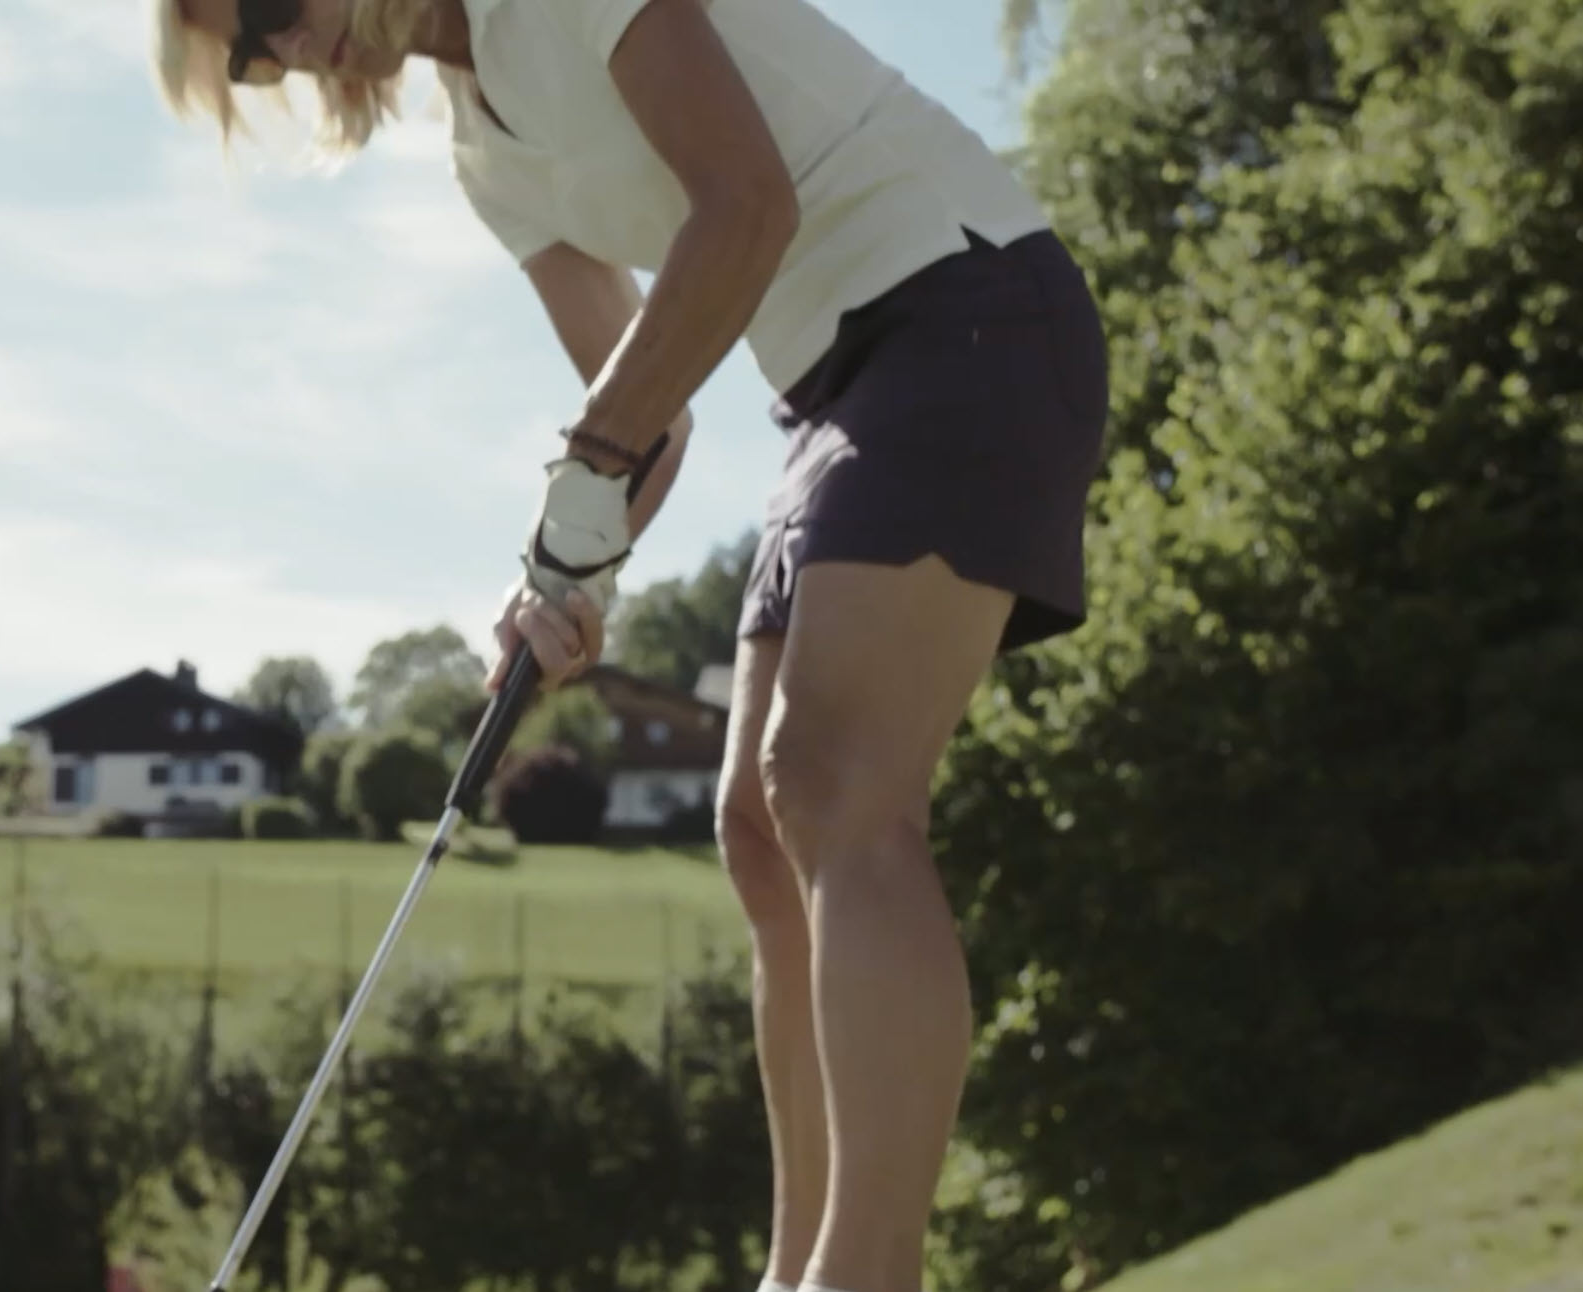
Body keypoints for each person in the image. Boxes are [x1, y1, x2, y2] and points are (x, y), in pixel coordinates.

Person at [145, 0, 1110, 1289]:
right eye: (249, 54)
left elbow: (746, 209)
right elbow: (641, 411)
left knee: (833, 791)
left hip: (966, 306)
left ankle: (862, 1277)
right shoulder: (486, 158)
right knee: (759, 833)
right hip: (827, 388)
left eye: (269, 9)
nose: (280, 51)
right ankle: (796, 1268)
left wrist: (589, 481)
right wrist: (554, 579)